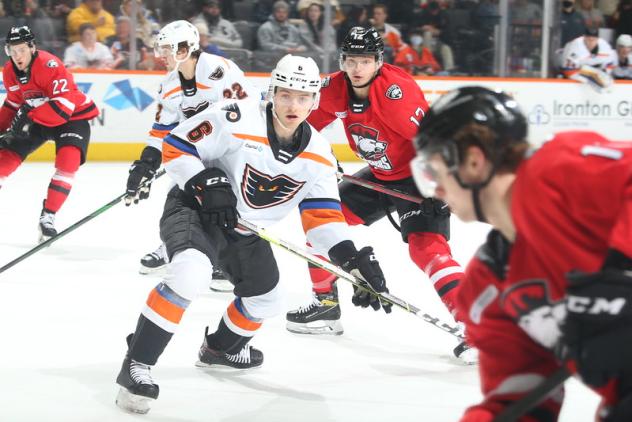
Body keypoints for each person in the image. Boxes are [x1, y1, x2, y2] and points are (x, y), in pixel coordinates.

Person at [115, 53, 391, 414]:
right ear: (272, 92)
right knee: (190, 273)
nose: (294, 105)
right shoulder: (236, 116)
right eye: (286, 94)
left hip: (242, 227)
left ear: (315, 101)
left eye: (304, 97)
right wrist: (204, 180)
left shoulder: (320, 155)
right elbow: (178, 145)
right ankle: (136, 365)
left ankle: (221, 349)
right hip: (195, 209)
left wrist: (350, 260)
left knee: (268, 298)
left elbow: (322, 219)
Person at [411, 86, 632, 421]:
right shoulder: (490, 283)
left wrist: (623, 264)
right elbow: (518, 404)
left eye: (435, 171)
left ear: (473, 160)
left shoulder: (563, 170)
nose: (436, 190)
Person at [284, 27, 471, 362]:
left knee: (427, 251)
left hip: (417, 177)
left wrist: (444, 185)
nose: (357, 68)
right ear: (342, 60)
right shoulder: (335, 88)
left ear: (378, 62)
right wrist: (320, 157)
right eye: (351, 60)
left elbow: (435, 142)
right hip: (380, 175)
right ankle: (325, 305)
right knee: (321, 222)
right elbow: (305, 126)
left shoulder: (395, 95)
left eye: (366, 60)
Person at [124, 20, 256, 292]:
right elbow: (161, 130)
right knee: (181, 195)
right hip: (197, 150)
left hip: (233, 147)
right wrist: (145, 164)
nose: (161, 56)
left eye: (167, 49)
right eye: (160, 49)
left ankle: (222, 254)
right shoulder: (170, 85)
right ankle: (173, 244)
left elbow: (246, 114)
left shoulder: (222, 71)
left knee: (225, 201)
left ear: (185, 48)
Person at [0, 26, 99, 242]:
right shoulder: (9, 70)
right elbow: (12, 103)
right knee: (5, 158)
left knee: (68, 161)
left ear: (32, 47)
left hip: (72, 117)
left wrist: (28, 118)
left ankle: (48, 216)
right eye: (12, 51)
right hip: (37, 115)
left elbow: (62, 108)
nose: (17, 56)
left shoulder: (49, 64)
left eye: (21, 50)